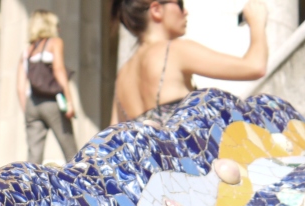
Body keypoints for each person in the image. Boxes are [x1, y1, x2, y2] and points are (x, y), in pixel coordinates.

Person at [111, 0, 269, 126]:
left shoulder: (123, 74)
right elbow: (255, 66)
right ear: (156, 10)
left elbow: (113, 132)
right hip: (180, 155)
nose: (185, 11)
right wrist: (257, 23)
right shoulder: (175, 50)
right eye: (179, 4)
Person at [18, 10, 77, 164]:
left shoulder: (27, 51)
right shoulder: (54, 43)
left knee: (34, 157)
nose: (59, 29)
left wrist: (27, 111)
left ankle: (30, 179)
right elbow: (59, 70)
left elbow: (20, 87)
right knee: (70, 152)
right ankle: (79, 177)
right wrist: (69, 101)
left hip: (32, 104)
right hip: (52, 102)